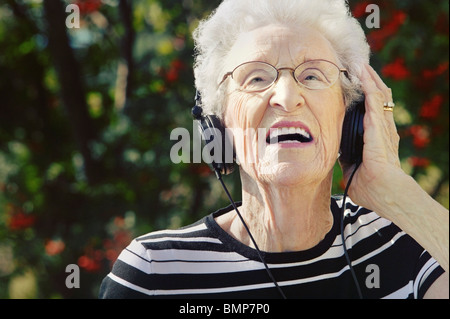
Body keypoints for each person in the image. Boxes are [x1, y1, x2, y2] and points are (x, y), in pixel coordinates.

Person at [99, 0, 448, 299]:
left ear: (352, 113)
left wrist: (400, 195)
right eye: (257, 78)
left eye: (312, 76)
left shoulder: (409, 239)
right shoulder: (154, 273)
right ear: (218, 122)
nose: (285, 98)